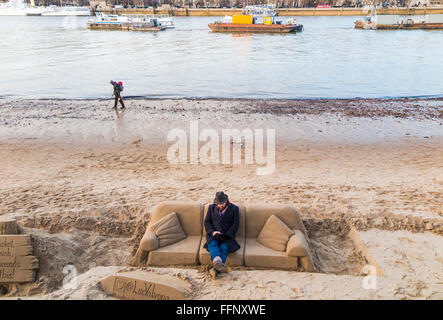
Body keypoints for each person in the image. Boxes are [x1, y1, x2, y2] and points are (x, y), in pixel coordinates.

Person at [204, 191, 240, 276]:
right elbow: (207, 222)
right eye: (218, 204)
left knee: (224, 247)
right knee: (213, 244)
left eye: (222, 203)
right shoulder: (211, 208)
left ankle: (216, 269)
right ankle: (217, 262)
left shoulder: (235, 209)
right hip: (213, 234)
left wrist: (227, 234)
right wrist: (213, 232)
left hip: (227, 235)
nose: (220, 205)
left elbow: (235, 224)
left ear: (226, 201)